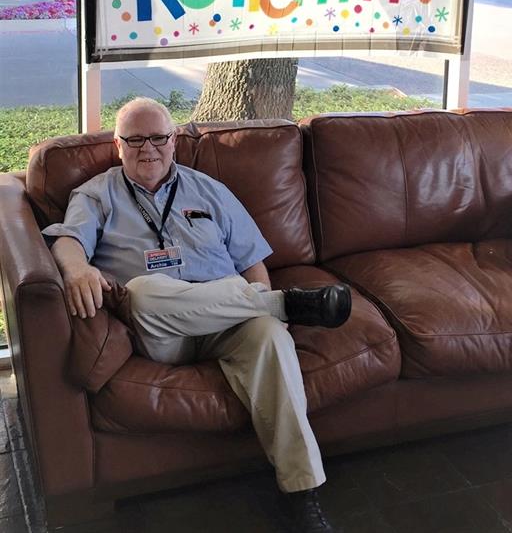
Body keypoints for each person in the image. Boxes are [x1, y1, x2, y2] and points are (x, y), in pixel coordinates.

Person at [43, 97, 351, 533]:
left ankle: (302, 490)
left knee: (271, 337)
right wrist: (77, 270)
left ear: (174, 142)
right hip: (161, 328)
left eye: (158, 138)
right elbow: (69, 240)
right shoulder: (98, 194)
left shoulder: (210, 190)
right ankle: (285, 303)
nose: (148, 149)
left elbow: (251, 262)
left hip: (228, 320)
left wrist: (263, 303)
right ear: (118, 145)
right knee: (142, 292)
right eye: (135, 140)